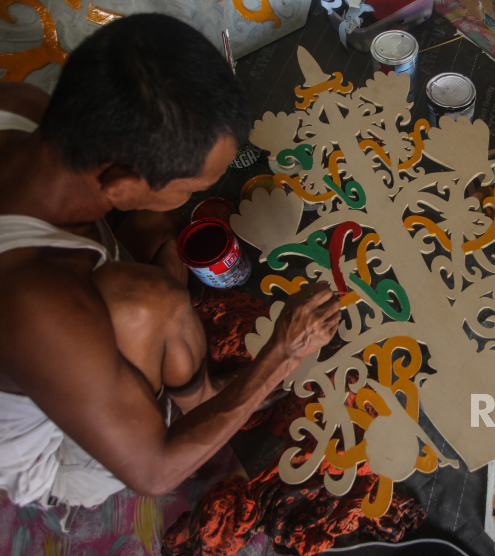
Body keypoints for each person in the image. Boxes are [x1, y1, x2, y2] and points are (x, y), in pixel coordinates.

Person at [0, 14, 340, 517]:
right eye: (192, 186)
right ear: (118, 182)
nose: (196, 194)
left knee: (162, 237)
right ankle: (196, 401)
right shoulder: (37, 302)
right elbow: (153, 473)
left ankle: (193, 386)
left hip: (64, 322)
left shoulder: (20, 107)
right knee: (146, 302)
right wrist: (284, 353)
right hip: (57, 452)